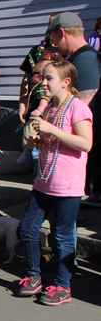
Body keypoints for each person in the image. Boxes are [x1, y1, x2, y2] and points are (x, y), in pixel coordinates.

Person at [15, 60, 93, 305]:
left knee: (61, 237)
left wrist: (52, 130)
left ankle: (62, 286)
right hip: (44, 181)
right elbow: (51, 139)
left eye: (49, 78)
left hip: (66, 185)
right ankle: (33, 277)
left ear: (66, 82)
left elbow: (86, 143)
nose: (43, 83)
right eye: (42, 77)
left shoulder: (77, 107)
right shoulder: (50, 108)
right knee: (27, 229)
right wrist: (35, 141)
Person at [45, 13, 101, 207]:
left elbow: (86, 101)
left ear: (62, 32)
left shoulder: (85, 59)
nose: (53, 43)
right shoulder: (78, 57)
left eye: (52, 37)